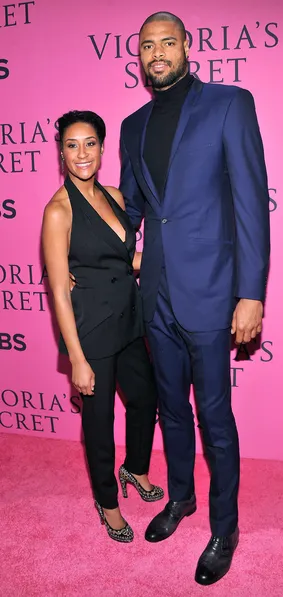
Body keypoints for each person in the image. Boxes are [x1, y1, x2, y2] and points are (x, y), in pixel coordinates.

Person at [119, 12, 270, 583]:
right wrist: (106, 256)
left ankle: (224, 526)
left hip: (211, 291)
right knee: (173, 411)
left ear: (187, 46)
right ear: (138, 56)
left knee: (215, 417)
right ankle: (180, 496)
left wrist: (250, 294)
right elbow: (133, 208)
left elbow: (252, 202)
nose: (157, 53)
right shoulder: (132, 125)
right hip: (154, 291)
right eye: (146, 46)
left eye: (167, 42)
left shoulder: (230, 104)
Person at [42, 110, 164, 544]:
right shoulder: (58, 211)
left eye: (89, 143)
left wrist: (170, 262)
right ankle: (108, 502)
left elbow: (125, 258)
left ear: (101, 147)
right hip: (91, 329)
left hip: (129, 319)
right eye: (72, 145)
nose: (81, 153)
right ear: (61, 152)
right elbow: (59, 291)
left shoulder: (113, 195)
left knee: (145, 396)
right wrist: (76, 358)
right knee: (98, 420)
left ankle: (135, 467)